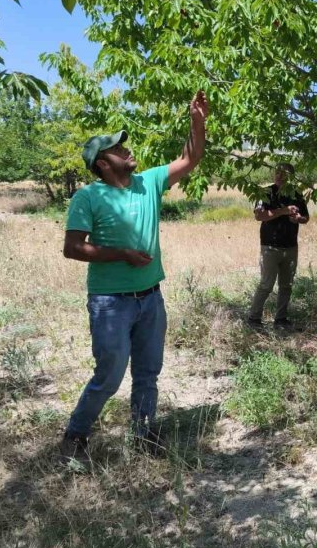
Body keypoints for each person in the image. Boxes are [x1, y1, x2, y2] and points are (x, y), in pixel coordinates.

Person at [59, 91, 209, 462]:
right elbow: (73, 248)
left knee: (148, 372)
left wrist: (198, 121)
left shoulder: (149, 182)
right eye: (116, 148)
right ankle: (76, 434)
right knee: (109, 376)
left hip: (150, 298)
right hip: (110, 302)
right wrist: (121, 254)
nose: (125, 150)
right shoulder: (88, 198)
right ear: (102, 163)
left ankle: (143, 434)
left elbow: (191, 158)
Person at [247, 162, 309, 330]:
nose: (280, 176)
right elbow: (259, 216)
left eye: (284, 174)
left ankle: (281, 319)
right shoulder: (265, 193)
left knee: (286, 285)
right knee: (266, 284)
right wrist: (283, 211)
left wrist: (298, 219)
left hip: (290, 247)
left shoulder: (297, 194)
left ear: (291, 177)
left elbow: (306, 217)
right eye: (277, 172)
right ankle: (254, 319)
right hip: (270, 247)